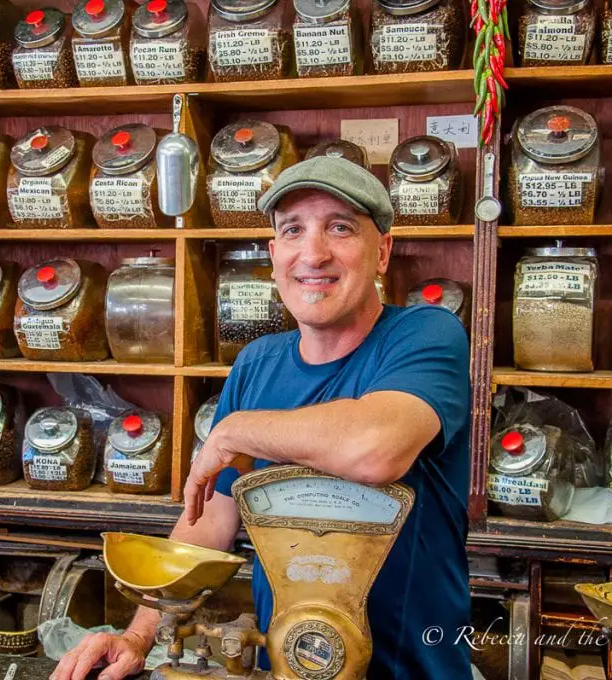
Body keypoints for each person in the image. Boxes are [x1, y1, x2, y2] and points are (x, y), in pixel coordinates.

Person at [51, 156, 472, 680]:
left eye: (340, 228)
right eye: (293, 230)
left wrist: (235, 430)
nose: (313, 254)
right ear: (274, 256)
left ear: (382, 251)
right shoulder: (257, 364)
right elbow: (210, 519)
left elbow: (375, 448)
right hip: (290, 666)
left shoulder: (425, 334)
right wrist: (138, 637)